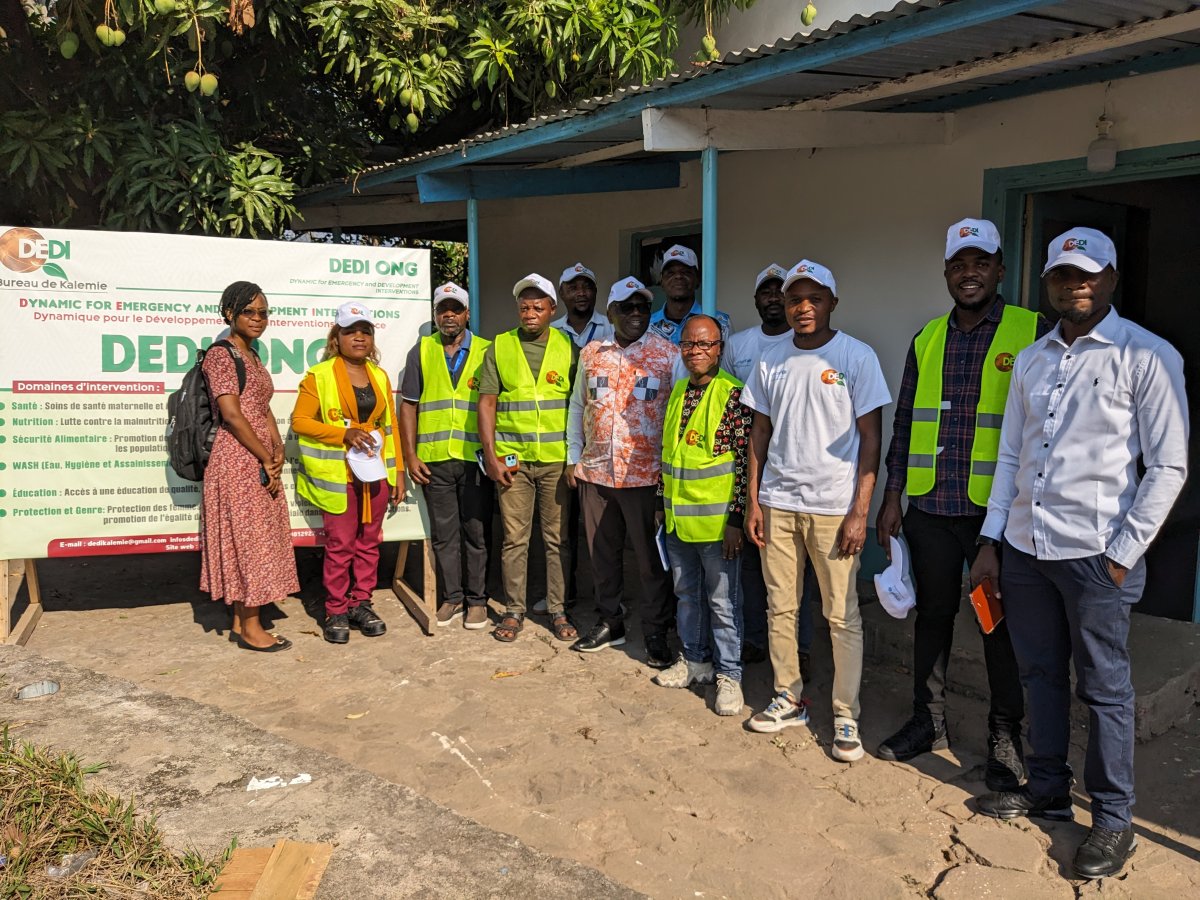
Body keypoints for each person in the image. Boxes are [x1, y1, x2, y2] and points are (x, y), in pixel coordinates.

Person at [970, 228, 1188, 880]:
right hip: (1027, 552)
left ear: (1112, 278)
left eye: (1089, 274)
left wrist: (1121, 555)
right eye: (1064, 275)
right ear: (1048, 284)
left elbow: (1169, 467)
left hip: (1096, 558)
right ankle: (1047, 788)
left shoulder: (1146, 357)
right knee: (1039, 674)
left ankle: (1116, 821)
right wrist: (993, 540)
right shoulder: (1033, 361)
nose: (1077, 285)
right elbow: (1011, 457)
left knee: (1104, 688)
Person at [876, 219, 1046, 789]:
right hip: (930, 509)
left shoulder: (1032, 331)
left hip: (994, 518)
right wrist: (892, 496)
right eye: (958, 263)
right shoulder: (927, 338)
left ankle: (1005, 737)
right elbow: (904, 421)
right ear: (946, 271)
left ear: (1000, 269)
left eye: (980, 262)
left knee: (996, 627)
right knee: (934, 619)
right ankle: (930, 722)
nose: (968, 273)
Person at [743, 260, 891, 763]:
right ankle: (789, 696)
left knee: (840, 616)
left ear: (832, 302)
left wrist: (860, 511)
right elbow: (758, 435)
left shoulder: (857, 356)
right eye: (794, 300)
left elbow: (872, 439)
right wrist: (755, 501)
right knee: (780, 607)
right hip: (779, 505)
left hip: (834, 508)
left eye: (814, 298)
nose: (803, 308)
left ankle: (845, 715)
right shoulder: (770, 359)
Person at [568, 277, 682, 668]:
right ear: (611, 312)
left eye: (642, 307)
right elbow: (578, 407)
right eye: (627, 307)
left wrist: (671, 474)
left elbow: (681, 415)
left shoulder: (669, 356)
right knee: (602, 554)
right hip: (597, 472)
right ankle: (609, 621)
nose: (636, 314)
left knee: (651, 560)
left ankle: (655, 629)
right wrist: (573, 457)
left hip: (645, 476)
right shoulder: (591, 353)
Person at [654, 315, 753, 716]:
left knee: (724, 603)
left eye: (705, 344)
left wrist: (735, 520)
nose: (696, 352)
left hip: (717, 527)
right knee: (687, 596)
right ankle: (695, 661)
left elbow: (745, 464)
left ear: (719, 349)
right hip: (678, 520)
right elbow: (670, 455)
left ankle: (730, 675)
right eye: (689, 345)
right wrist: (662, 505)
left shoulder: (733, 396)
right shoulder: (678, 391)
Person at [292, 303, 405, 643]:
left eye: (365, 331)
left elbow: (390, 425)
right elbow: (300, 421)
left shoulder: (380, 376)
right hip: (338, 475)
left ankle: (361, 603)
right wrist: (342, 434)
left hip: (374, 475)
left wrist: (397, 472)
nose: (359, 337)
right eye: (350, 331)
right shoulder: (319, 376)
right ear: (336, 337)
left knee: (370, 543)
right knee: (341, 544)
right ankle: (336, 609)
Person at [477, 274, 579, 644]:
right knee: (514, 539)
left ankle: (557, 609)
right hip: (513, 461)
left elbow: (579, 406)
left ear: (553, 309)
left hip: (555, 460)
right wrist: (491, 456)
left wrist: (575, 457)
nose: (530, 313)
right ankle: (513, 610)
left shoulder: (569, 347)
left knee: (557, 540)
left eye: (538, 306)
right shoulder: (499, 346)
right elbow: (486, 402)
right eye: (524, 307)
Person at [728, 263, 818, 671]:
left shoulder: (813, 344)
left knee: (803, 571)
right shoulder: (739, 345)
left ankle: (800, 645)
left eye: (777, 292)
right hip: (749, 464)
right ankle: (755, 639)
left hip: (801, 472)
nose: (771, 299)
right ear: (759, 300)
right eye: (765, 291)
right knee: (752, 561)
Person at [200, 281, 299, 652]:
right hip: (237, 461)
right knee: (249, 542)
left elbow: (261, 408)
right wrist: (263, 455)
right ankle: (252, 628)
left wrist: (277, 452)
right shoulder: (221, 356)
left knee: (258, 539)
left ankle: (245, 621)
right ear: (229, 314)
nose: (258, 319)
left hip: (258, 458)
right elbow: (232, 414)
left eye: (263, 312)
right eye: (250, 312)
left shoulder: (253, 356)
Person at [398, 282, 494, 631]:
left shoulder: (487, 350)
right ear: (435, 315)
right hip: (434, 460)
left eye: (455, 309)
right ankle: (452, 597)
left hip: (476, 461)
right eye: (442, 309)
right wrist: (410, 454)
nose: (449, 315)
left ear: (467, 314)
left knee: (477, 532)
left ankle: (477, 600)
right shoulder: (421, 351)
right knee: (444, 534)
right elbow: (409, 406)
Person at [648, 245, 731, 345]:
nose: (678, 276)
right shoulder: (648, 326)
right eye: (670, 273)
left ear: (698, 280)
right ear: (662, 282)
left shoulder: (722, 323)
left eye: (686, 272)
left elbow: (728, 360)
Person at [552, 263, 614, 348]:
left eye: (587, 287)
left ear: (595, 291)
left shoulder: (612, 328)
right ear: (561, 293)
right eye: (573, 288)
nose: (581, 293)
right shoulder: (552, 330)